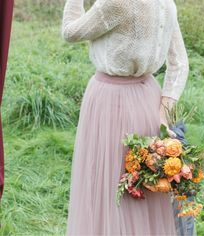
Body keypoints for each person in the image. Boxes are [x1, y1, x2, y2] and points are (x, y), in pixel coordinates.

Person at [61, 0, 189, 235]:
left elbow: (70, 32)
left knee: (107, 183)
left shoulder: (115, 3)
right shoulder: (166, 3)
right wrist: (163, 115)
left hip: (109, 101)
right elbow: (179, 64)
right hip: (149, 100)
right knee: (144, 181)